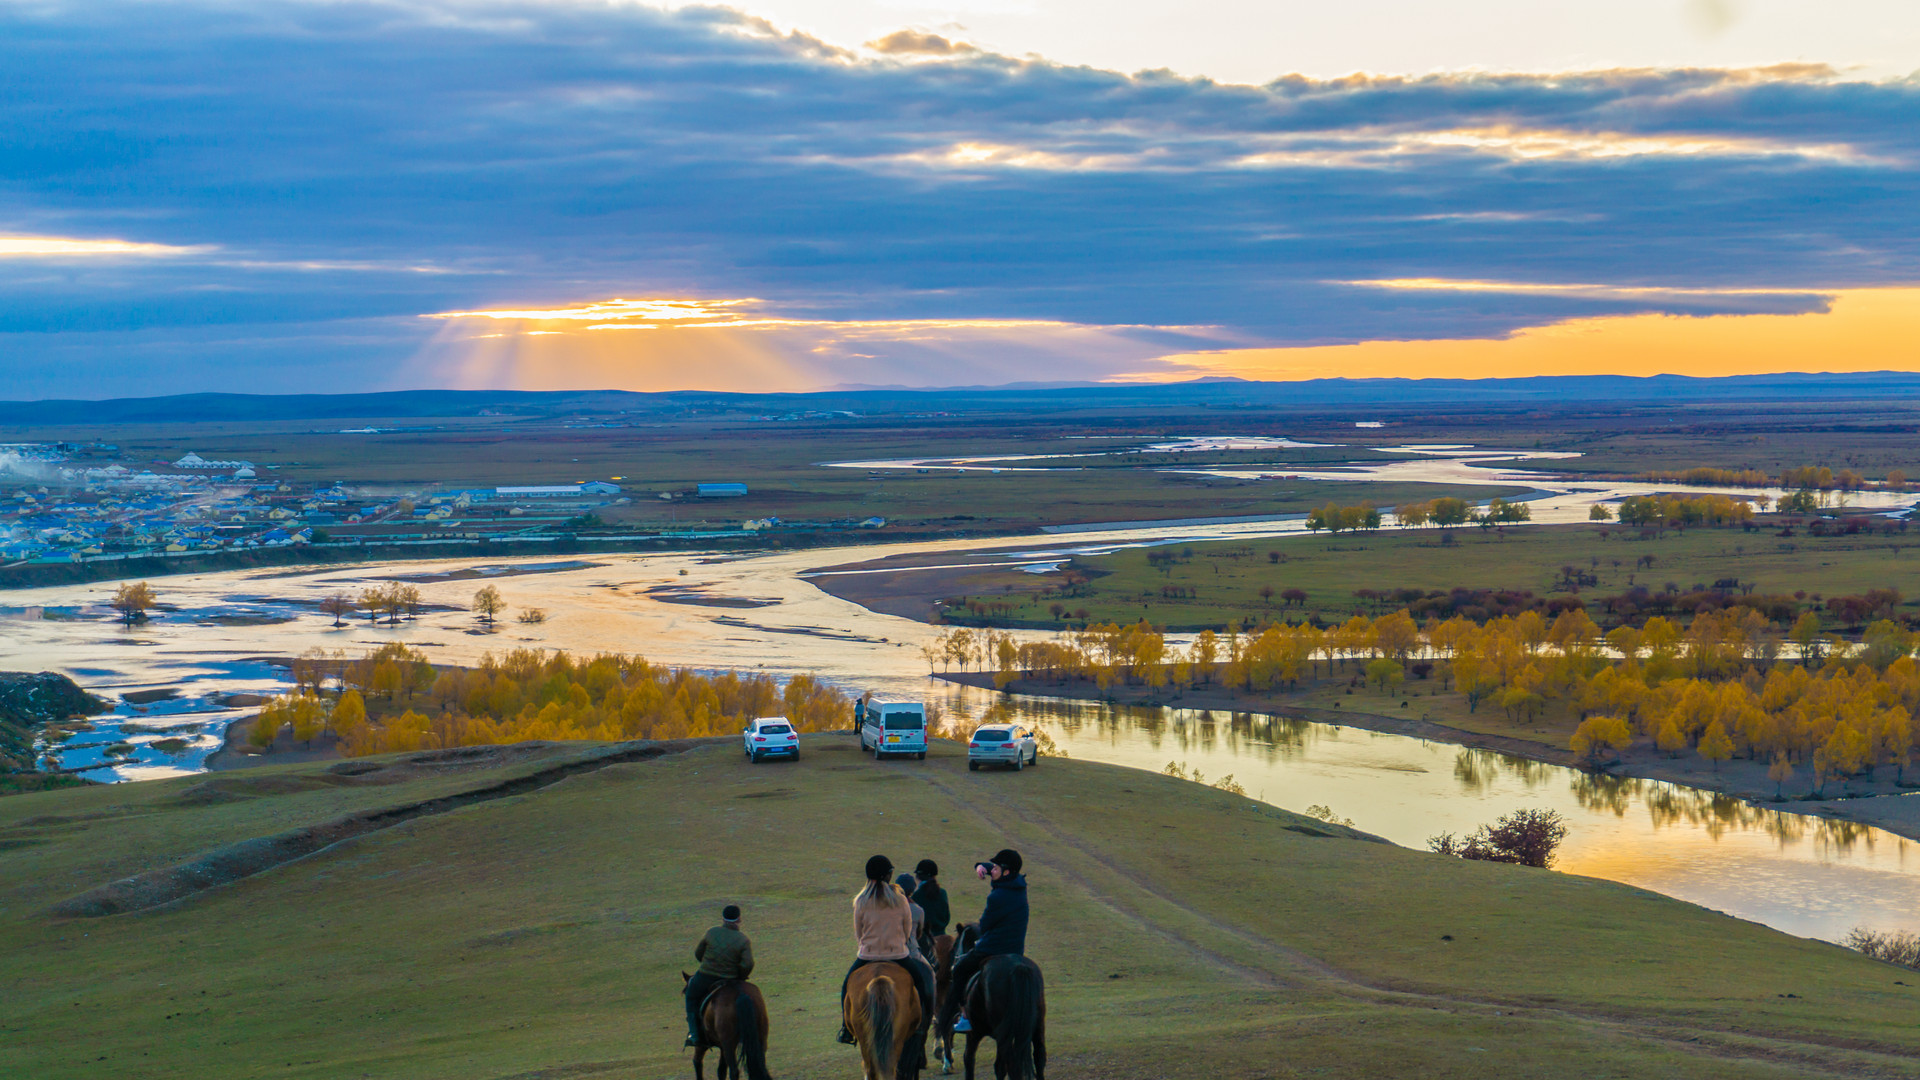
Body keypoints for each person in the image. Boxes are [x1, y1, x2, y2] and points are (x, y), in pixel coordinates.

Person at [838, 854, 937, 1067]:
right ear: (888, 875)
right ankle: (920, 1024)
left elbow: (859, 933)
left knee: (846, 987)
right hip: (898, 956)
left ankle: (846, 1029)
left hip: (866, 956)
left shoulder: (860, 901)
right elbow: (907, 929)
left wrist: (869, 947)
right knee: (921, 984)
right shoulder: (900, 899)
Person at [936, 848, 1027, 1035]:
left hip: (992, 948)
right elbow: (997, 872)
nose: (992, 870)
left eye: (995, 868)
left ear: (1006, 872)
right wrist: (981, 867)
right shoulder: (1019, 886)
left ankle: (965, 1016)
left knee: (960, 969)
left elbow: (985, 926)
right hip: (1016, 949)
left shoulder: (996, 897)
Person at [685, 904, 754, 1048]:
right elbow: (748, 964)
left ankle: (694, 1034)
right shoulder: (743, 940)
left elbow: (698, 954)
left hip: (706, 976)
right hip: (730, 979)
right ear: (739, 919)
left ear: (723, 918)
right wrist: (740, 975)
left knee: (690, 996)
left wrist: (708, 964)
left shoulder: (711, 932)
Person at [911, 859, 950, 952]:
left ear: (920, 875)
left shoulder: (917, 895)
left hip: (924, 940)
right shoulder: (943, 893)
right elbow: (947, 917)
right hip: (942, 935)